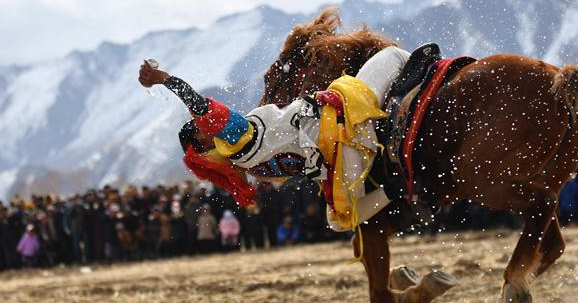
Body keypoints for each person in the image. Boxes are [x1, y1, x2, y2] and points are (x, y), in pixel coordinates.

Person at [138, 45, 410, 233]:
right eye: (199, 126)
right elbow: (198, 104)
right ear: (201, 140)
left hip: (340, 161)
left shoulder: (245, 166)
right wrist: (165, 79)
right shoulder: (234, 138)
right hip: (340, 118)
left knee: (340, 220)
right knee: (394, 55)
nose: (202, 123)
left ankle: (395, 189)